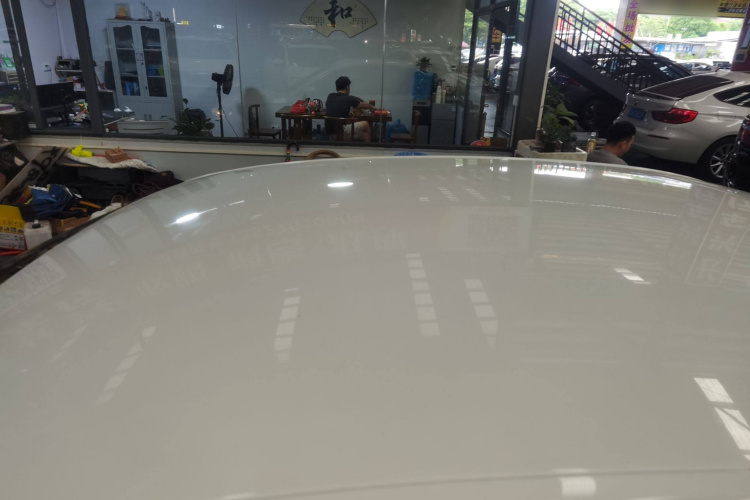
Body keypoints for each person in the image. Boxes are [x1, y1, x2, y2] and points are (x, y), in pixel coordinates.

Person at [325, 76, 375, 142]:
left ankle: (365, 146)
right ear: (347, 87)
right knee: (365, 124)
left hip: (330, 134)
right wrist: (373, 107)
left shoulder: (330, 96)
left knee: (364, 134)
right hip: (340, 133)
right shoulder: (348, 98)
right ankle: (370, 147)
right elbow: (364, 105)